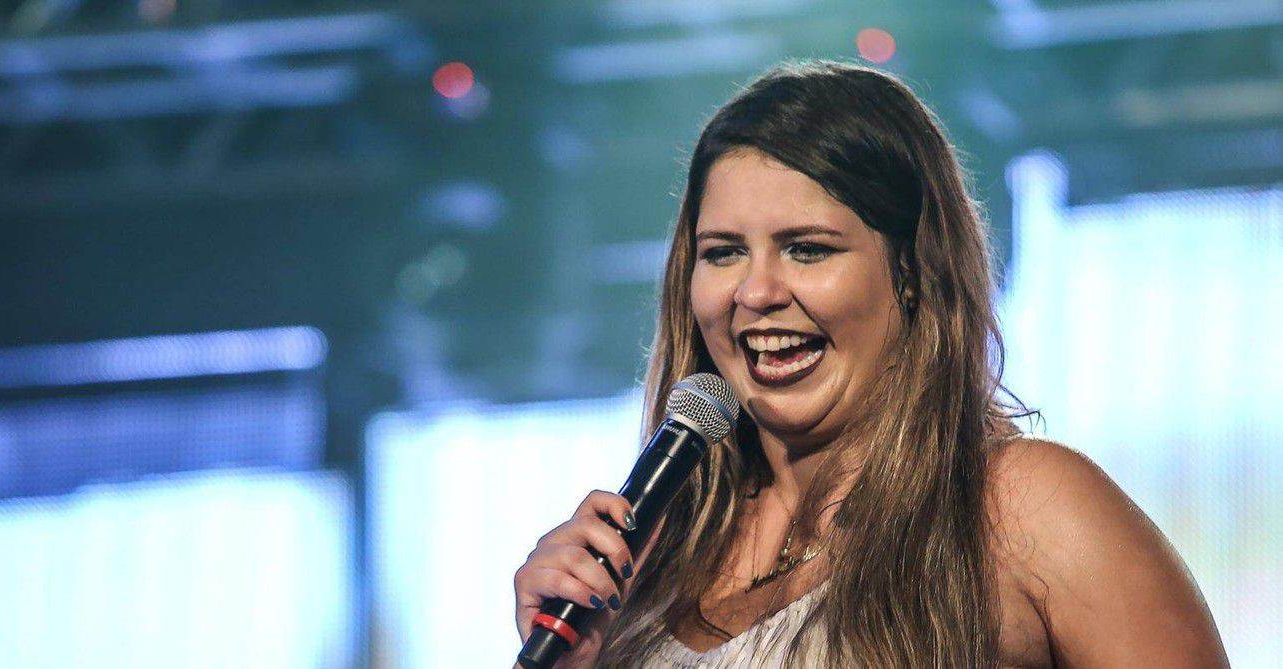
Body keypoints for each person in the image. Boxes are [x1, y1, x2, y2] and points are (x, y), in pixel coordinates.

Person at [512, 61, 1228, 667]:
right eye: (724, 253)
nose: (756, 293)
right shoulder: (651, 561)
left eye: (807, 249)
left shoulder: (1022, 509)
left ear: (911, 271)